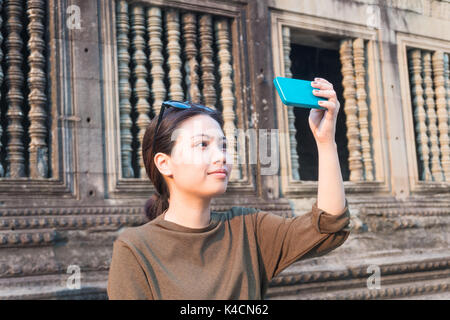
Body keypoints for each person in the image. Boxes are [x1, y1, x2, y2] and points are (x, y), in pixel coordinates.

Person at [107, 77, 352, 299]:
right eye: (202, 144)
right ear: (164, 163)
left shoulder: (248, 228)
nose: (221, 157)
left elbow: (329, 227)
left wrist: (325, 140)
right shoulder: (135, 249)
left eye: (223, 146)